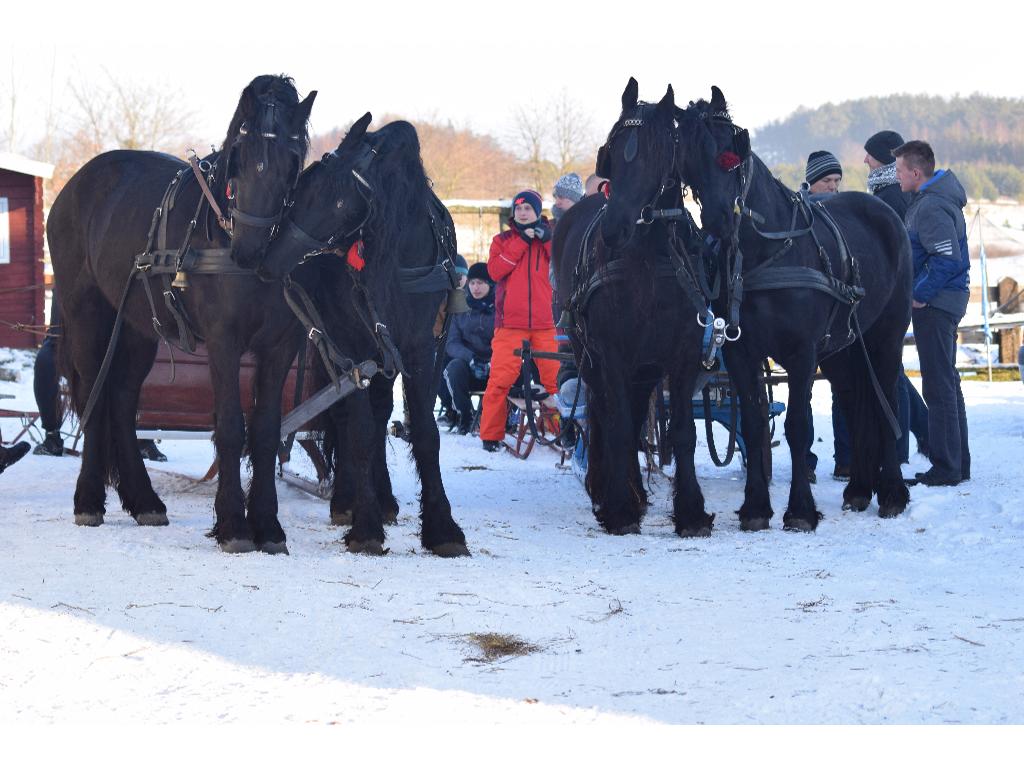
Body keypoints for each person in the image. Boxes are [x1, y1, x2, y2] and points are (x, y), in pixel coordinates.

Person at [894, 139, 971, 487]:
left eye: (898, 171)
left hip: (938, 304)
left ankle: (946, 467)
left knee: (938, 385)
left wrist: (919, 295)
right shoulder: (930, 201)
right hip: (945, 300)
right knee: (947, 382)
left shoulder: (930, 207)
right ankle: (957, 463)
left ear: (914, 172)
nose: (896, 177)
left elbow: (946, 258)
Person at [864, 129, 930, 463]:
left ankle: (899, 449)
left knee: (894, 375)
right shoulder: (888, 191)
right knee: (896, 373)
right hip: (896, 291)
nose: (864, 161)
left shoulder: (890, 197)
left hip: (893, 293)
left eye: (870, 155)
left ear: (884, 158)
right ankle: (927, 432)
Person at [33, 294, 167, 460]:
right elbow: (56, 330)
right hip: (66, 342)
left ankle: (143, 436)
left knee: (139, 364)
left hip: (112, 339)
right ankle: (52, 435)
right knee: (44, 362)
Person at [480, 189, 560, 452]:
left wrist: (548, 241)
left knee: (554, 384)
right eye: (519, 208)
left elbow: (561, 266)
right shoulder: (502, 239)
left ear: (538, 212)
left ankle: (561, 431)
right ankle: (490, 435)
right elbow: (494, 271)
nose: (523, 212)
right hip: (509, 324)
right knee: (499, 381)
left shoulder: (551, 237)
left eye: (528, 208)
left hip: (544, 322)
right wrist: (521, 242)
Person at [801, 151, 845, 482]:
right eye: (826, 181)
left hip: (836, 315)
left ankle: (846, 457)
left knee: (843, 387)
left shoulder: (844, 215)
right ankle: (805, 459)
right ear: (811, 182)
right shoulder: (798, 214)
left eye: (836, 182)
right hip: (803, 317)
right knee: (802, 392)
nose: (832, 188)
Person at [443, 262, 495, 434]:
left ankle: (504, 417)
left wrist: (490, 362)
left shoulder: (499, 308)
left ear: (489, 284)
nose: (475, 287)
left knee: (514, 367)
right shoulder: (461, 308)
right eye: (472, 283)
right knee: (452, 368)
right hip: (468, 364)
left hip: (495, 364)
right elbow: (452, 342)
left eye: (480, 283)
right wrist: (471, 358)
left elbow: (506, 339)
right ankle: (465, 415)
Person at [436, 254, 470, 427]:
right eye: (451, 276)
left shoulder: (472, 298)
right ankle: (450, 407)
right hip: (443, 346)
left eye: (460, 276)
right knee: (437, 364)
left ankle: (460, 410)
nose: (455, 280)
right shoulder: (438, 299)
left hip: (465, 349)